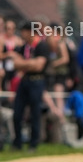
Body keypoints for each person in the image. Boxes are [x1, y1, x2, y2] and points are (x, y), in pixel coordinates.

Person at [4, 21, 52, 150]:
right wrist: (30, 63)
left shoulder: (42, 46)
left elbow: (39, 66)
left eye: (24, 32)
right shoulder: (23, 47)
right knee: (17, 113)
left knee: (35, 113)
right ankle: (17, 142)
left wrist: (22, 63)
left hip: (37, 82)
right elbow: (14, 64)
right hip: (24, 81)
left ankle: (33, 143)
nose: (22, 35)